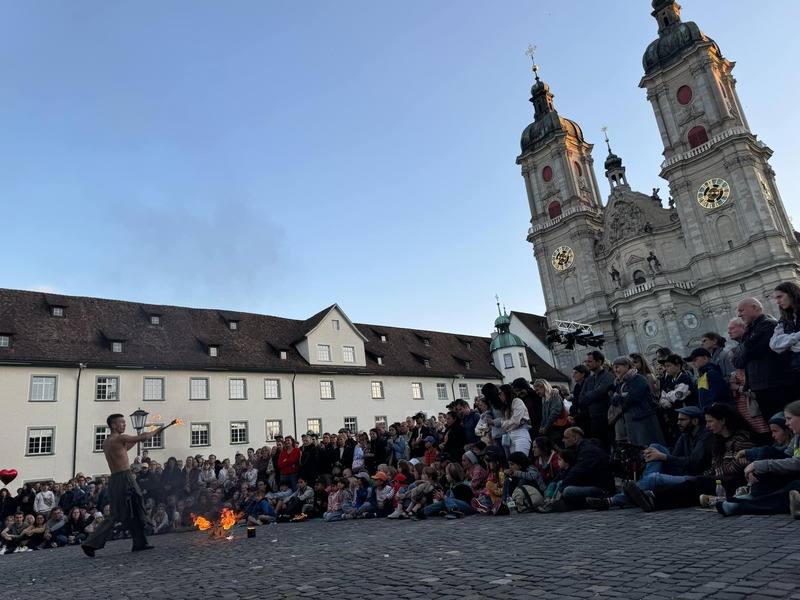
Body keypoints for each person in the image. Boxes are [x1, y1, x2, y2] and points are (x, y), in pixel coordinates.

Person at [81, 414, 176, 557]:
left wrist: (139, 439)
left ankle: (140, 543)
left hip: (116, 478)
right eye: (122, 423)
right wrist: (157, 431)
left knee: (134, 509)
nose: (124, 425)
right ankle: (90, 543)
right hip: (124, 477)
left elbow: (125, 448)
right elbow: (143, 437)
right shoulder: (120, 438)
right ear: (113, 425)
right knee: (117, 514)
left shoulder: (108, 441)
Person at [589, 406, 712, 510]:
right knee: (654, 447)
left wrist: (663, 456)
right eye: (678, 419)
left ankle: (612, 500)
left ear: (695, 421)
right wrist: (654, 453)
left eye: (683, 420)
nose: (678, 422)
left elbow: (693, 463)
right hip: (681, 468)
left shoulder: (704, 437)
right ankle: (643, 489)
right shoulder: (685, 434)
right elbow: (674, 453)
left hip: (694, 476)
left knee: (654, 478)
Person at [715, 400, 800, 516]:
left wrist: (759, 465)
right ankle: (753, 496)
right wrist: (755, 461)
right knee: (768, 454)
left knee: (794, 486)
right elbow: (785, 455)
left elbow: (797, 463)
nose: (787, 423)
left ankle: (743, 505)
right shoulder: (797, 436)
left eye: (789, 419)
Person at [734, 297, 794, 419]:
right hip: (759, 386)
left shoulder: (768, 324)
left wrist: (746, 348)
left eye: (741, 311)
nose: (739, 315)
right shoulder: (749, 330)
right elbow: (739, 360)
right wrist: (747, 347)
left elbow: (755, 350)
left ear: (754, 307)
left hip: (775, 384)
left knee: (782, 422)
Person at [610, 356, 664, 447]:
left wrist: (620, 397)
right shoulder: (620, 382)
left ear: (627, 366)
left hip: (643, 418)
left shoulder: (639, 379)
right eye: (614, 367)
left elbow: (634, 397)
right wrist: (622, 396)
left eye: (617, 367)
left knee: (650, 446)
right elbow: (614, 401)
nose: (615, 370)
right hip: (630, 420)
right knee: (638, 448)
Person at [558, 427, 615, 510]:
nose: (563, 440)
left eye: (566, 437)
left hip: (602, 489)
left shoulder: (587, 451)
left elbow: (576, 472)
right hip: (592, 484)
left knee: (567, 490)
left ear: (575, 438)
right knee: (561, 483)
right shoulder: (581, 449)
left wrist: (562, 487)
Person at [770, 281, 800, 390]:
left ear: (791, 293)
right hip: (795, 369)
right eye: (776, 298)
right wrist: (797, 337)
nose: (778, 302)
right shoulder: (784, 319)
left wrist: (788, 343)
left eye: (780, 297)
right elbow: (774, 345)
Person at [580, 351, 614, 448]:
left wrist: (591, 395)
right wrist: (594, 394)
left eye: (590, 361)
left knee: (609, 445)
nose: (587, 364)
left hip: (606, 417)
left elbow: (599, 392)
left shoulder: (608, 376)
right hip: (593, 418)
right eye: (587, 361)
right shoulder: (588, 380)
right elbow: (581, 399)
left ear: (599, 362)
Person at [499, 384, 531, 455]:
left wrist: (507, 424)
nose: (499, 396)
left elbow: (515, 421)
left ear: (506, 392)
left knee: (521, 462)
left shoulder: (517, 401)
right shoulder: (506, 407)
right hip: (511, 437)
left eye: (500, 393)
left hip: (521, 436)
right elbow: (503, 425)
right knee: (514, 464)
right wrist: (510, 424)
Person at [533, 379, 567, 446]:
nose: (537, 392)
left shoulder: (554, 395)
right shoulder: (544, 399)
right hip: (551, 430)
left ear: (543, 387)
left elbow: (554, 414)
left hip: (557, 430)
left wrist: (545, 428)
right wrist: (542, 427)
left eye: (537, 390)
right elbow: (544, 416)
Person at [568, 365, 591, 434]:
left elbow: (587, 405)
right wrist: (572, 415)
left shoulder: (589, 385)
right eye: (573, 373)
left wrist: (576, 417)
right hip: (578, 418)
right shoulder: (577, 387)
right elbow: (575, 403)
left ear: (583, 374)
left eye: (576, 373)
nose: (573, 375)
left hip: (588, 418)